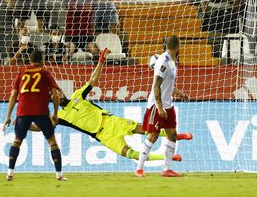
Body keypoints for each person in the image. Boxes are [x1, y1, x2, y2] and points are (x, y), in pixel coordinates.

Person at [44, 48, 192, 163]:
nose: (57, 95)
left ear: (62, 92)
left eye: (58, 92)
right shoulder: (60, 116)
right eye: (53, 96)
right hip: (103, 135)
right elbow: (41, 127)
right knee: (129, 153)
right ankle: (166, 158)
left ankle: (177, 136)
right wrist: (23, 123)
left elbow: (93, 80)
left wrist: (101, 60)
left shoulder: (78, 95)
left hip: (111, 121)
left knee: (147, 130)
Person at [2, 50, 67, 181]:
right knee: (52, 141)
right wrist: (55, 113)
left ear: (30, 61)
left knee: (17, 141)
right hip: (40, 111)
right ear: (42, 60)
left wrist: (8, 116)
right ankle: (59, 175)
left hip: (22, 111)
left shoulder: (21, 73)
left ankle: (9, 173)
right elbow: (54, 94)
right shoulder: (45, 72)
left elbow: (13, 95)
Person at [135, 35, 189, 178]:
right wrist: (159, 107)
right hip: (156, 105)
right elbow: (156, 84)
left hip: (168, 104)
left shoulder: (171, 62)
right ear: (178, 46)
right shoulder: (163, 62)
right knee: (153, 135)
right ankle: (139, 169)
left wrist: (179, 93)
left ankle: (167, 169)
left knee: (172, 134)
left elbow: (168, 83)